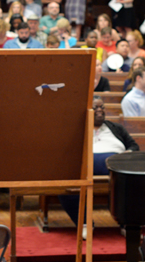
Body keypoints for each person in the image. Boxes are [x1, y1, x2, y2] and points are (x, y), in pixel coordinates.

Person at [59, 98, 139, 239]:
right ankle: (84, 223)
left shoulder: (116, 128)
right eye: (96, 108)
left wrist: (128, 153)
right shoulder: (79, 129)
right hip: (85, 166)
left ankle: (127, 223)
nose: (100, 110)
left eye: (102, 107)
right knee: (65, 185)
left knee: (131, 183)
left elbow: (133, 146)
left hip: (115, 165)